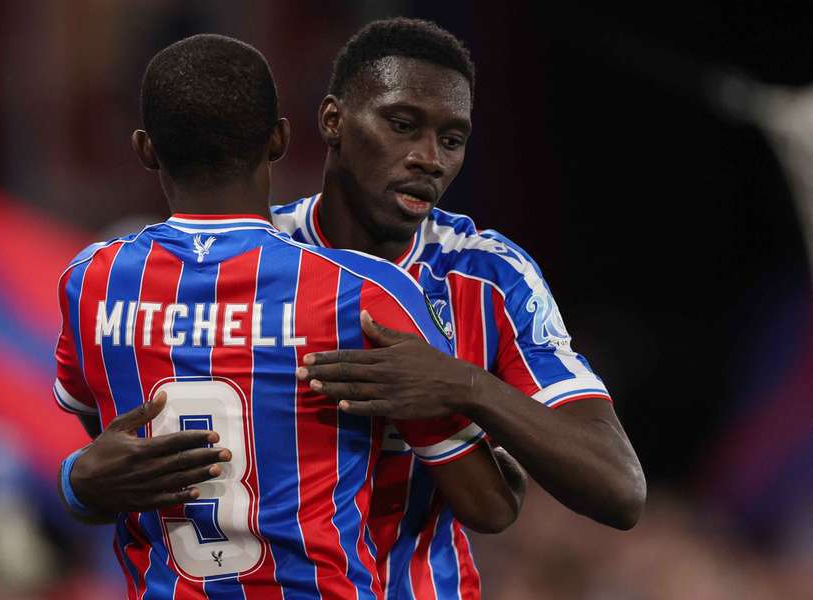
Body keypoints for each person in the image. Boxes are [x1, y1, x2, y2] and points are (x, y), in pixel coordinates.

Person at [53, 34, 518, 598]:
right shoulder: (365, 293)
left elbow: (112, 461)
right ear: (279, 139)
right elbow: (489, 507)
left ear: (146, 149)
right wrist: (501, 471)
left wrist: (74, 481)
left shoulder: (92, 283)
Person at [280, 18, 646, 598]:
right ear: (333, 120)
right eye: (403, 125)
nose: (429, 158)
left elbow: (620, 489)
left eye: (451, 140)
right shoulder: (254, 254)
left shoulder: (488, 275)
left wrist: (462, 385)